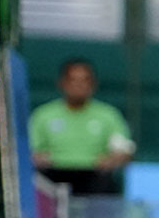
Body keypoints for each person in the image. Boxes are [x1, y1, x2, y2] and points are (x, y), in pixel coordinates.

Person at [28, 58, 135, 195]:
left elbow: (124, 151)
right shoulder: (43, 115)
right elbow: (30, 151)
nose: (79, 85)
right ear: (62, 83)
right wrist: (37, 157)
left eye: (85, 80)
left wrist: (114, 159)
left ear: (93, 84)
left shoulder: (109, 115)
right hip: (53, 177)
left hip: (95, 178)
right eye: (73, 80)